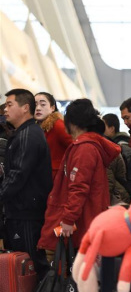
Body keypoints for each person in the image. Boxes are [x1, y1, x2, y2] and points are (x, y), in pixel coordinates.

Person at [38, 99, 121, 255]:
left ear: (72, 122)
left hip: (82, 222)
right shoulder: (87, 145)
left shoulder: (84, 149)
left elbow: (79, 187)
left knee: (80, 272)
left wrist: (68, 219)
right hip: (86, 219)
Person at [1, 89, 52, 279]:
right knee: (24, 265)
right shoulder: (23, 133)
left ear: (25, 108)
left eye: (9, 105)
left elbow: (18, 174)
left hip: (27, 213)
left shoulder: (28, 135)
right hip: (21, 211)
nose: (5, 110)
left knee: (31, 265)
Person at [34, 92, 73, 179]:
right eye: (35, 104)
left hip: (55, 178)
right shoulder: (36, 127)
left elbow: (75, 147)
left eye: (43, 104)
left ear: (52, 108)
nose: (38, 108)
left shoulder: (57, 125)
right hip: (41, 176)